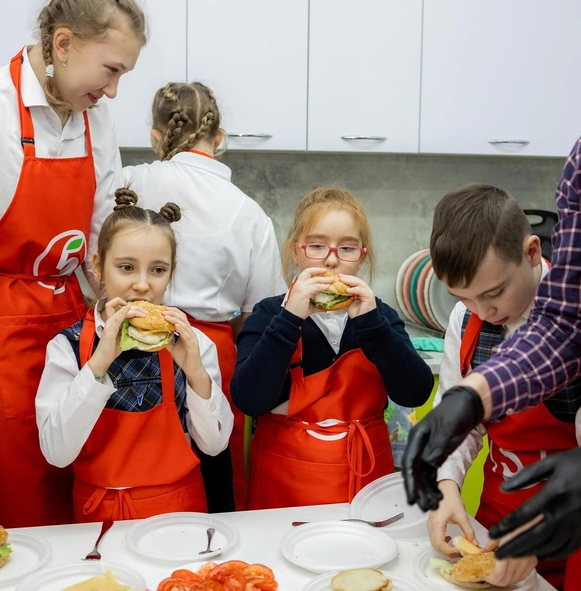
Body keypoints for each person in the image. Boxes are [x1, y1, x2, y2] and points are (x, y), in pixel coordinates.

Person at [0, 0, 145, 527]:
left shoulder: (94, 117)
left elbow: (105, 240)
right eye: (110, 70)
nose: (112, 91)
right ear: (63, 44)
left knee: (79, 495)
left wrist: (127, 319)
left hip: (70, 332)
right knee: (15, 508)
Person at [403, 137, 581, 569]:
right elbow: (464, 426)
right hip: (496, 529)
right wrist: (446, 483)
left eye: (495, 293)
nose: (484, 312)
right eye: (464, 298)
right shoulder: (468, 322)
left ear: (532, 252)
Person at [123, 82, 284, 512]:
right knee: (213, 472)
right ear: (218, 138)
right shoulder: (249, 212)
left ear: (157, 136)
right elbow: (260, 318)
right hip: (213, 351)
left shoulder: (126, 182)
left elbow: (93, 268)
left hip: (126, 346)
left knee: (132, 469)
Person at [35, 188, 233, 521]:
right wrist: (99, 363)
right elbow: (56, 453)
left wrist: (196, 372)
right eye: (127, 267)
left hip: (180, 512)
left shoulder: (192, 342)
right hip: (99, 517)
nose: (142, 285)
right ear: (98, 266)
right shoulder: (67, 347)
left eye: (158, 270)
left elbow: (214, 445)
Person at [231, 187, 434, 509]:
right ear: (295, 252)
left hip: (367, 482)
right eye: (316, 245)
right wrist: (290, 318)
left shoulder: (378, 316)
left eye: (347, 248)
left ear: (362, 256)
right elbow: (249, 399)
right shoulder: (270, 314)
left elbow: (415, 393)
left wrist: (373, 326)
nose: (331, 259)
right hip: (284, 483)